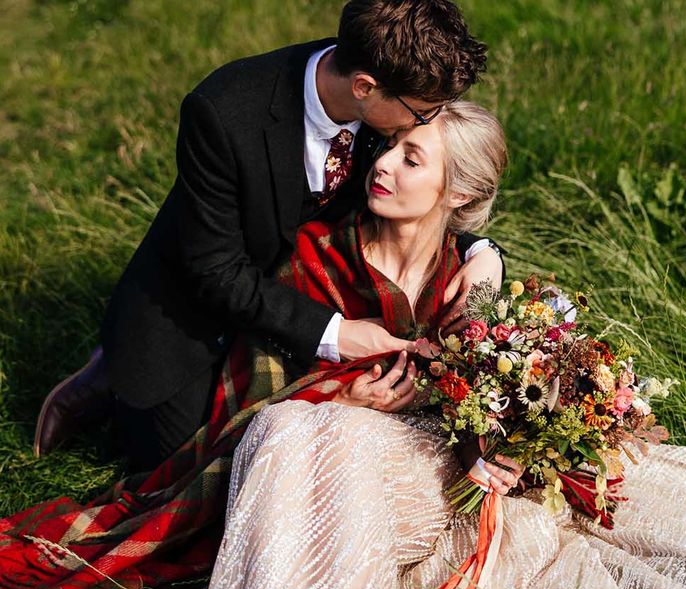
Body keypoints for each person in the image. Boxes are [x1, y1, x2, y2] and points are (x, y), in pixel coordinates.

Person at [163, 102, 686, 589]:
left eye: (412, 159)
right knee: (289, 427)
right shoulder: (317, 250)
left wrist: (508, 441)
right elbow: (254, 380)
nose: (385, 164)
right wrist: (344, 395)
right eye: (392, 145)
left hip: (433, 460)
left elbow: (492, 396)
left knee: (312, 433)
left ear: (453, 193)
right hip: (331, 447)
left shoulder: (470, 275)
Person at [33, 0, 505, 470]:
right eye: (422, 113)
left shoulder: (386, 102)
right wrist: (337, 334)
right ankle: (100, 378)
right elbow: (215, 271)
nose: (423, 124)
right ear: (364, 88)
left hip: (300, 285)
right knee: (183, 469)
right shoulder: (223, 112)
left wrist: (483, 251)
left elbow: (417, 201)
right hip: (196, 309)